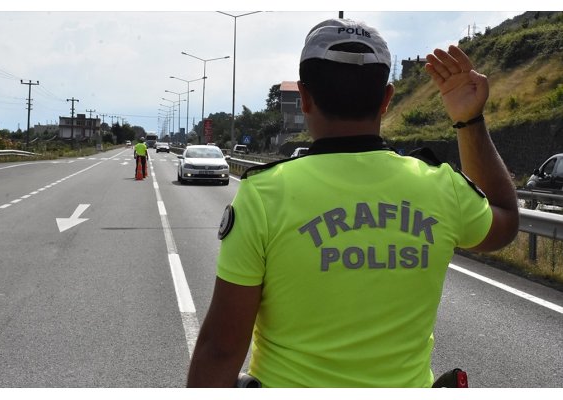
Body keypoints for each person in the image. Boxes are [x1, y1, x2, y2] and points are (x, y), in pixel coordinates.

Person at [186, 18, 519, 388]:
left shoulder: (265, 195)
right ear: (387, 99)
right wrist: (469, 120)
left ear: (305, 97)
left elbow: (221, 349)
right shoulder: (442, 188)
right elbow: (504, 221)